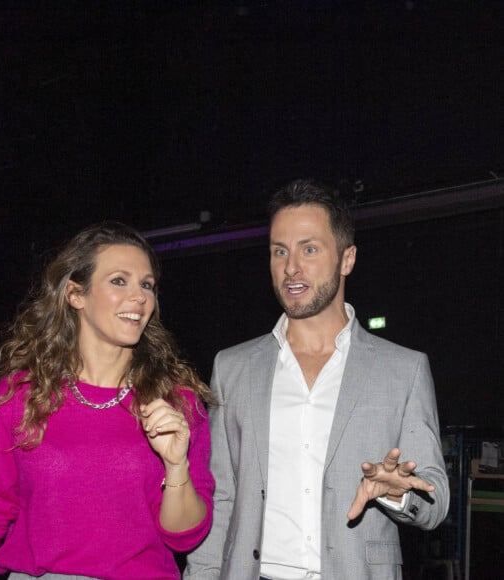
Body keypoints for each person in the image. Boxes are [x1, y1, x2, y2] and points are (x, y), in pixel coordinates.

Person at [184, 178, 449, 580]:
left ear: (347, 259)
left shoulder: (404, 370)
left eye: (309, 249)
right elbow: (221, 497)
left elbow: (437, 500)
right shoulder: (232, 367)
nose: (291, 267)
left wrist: (399, 493)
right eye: (280, 251)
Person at [0, 221, 214, 580]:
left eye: (147, 285)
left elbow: (184, 536)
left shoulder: (175, 399)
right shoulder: (24, 393)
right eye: (120, 280)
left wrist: (176, 466)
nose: (140, 296)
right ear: (76, 294)